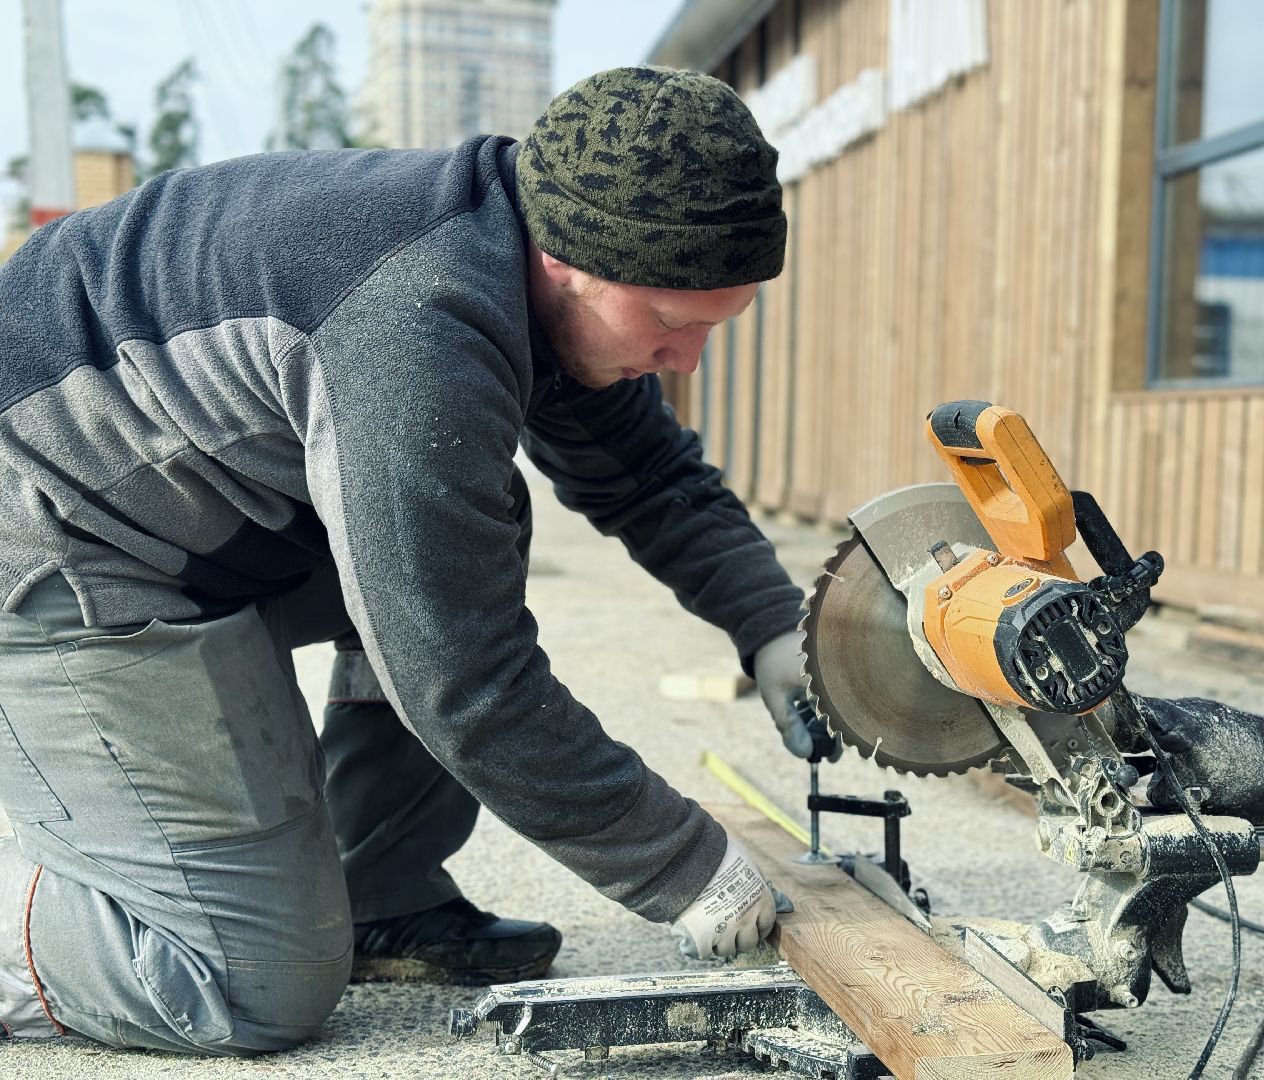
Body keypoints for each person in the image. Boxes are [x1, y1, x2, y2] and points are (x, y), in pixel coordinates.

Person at [0, 66, 835, 1055]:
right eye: (670, 322)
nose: (685, 362)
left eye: (713, 328)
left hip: (178, 517)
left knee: (467, 515)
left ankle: (383, 893)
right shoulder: (416, 322)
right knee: (244, 980)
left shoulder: (523, 246)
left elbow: (645, 475)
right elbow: (462, 678)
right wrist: (677, 862)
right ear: (567, 258)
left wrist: (771, 625)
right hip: (58, 546)